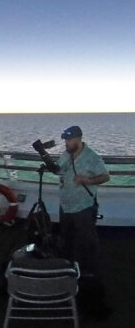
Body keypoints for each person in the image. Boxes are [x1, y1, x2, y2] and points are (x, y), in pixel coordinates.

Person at [49, 126, 111, 317]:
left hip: (83, 207)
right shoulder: (65, 155)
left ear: (78, 139)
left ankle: (90, 277)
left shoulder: (91, 156)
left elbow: (106, 176)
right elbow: (60, 171)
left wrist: (88, 180)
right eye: (65, 141)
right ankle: (67, 273)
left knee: (87, 243)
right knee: (65, 241)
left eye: (69, 140)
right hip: (66, 206)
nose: (66, 144)